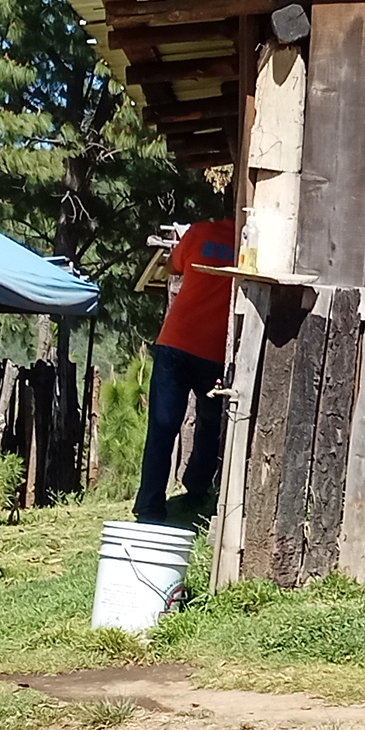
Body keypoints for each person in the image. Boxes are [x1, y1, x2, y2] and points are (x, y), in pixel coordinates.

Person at [135, 219, 235, 525]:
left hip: (175, 343)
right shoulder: (253, 244)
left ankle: (150, 505)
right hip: (215, 351)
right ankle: (197, 489)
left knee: (163, 428)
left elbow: (174, 266)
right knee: (209, 422)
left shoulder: (200, 232)